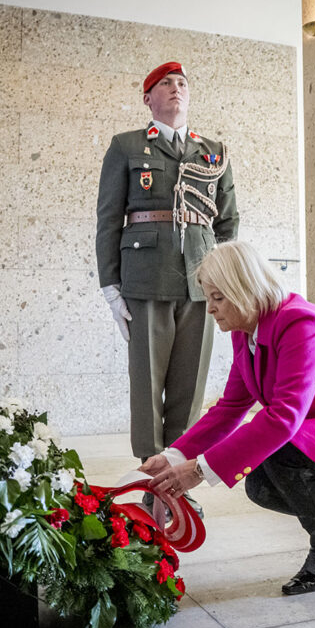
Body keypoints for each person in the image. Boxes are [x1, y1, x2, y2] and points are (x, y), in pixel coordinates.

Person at [141, 241, 315, 595]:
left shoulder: (301, 322)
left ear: (243, 289)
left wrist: (199, 471)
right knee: (259, 483)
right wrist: (172, 456)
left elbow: (283, 419)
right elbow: (230, 407)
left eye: (217, 298)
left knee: (278, 448)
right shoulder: (247, 333)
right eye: (208, 298)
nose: (210, 309)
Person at [96, 62, 239, 510]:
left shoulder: (213, 151)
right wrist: (111, 286)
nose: (175, 89)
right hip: (145, 277)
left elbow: (228, 222)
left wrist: (222, 277)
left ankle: (176, 474)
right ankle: (147, 472)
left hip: (202, 283)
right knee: (148, 381)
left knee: (189, 384)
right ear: (148, 98)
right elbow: (107, 218)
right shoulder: (127, 146)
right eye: (165, 84)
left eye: (182, 84)